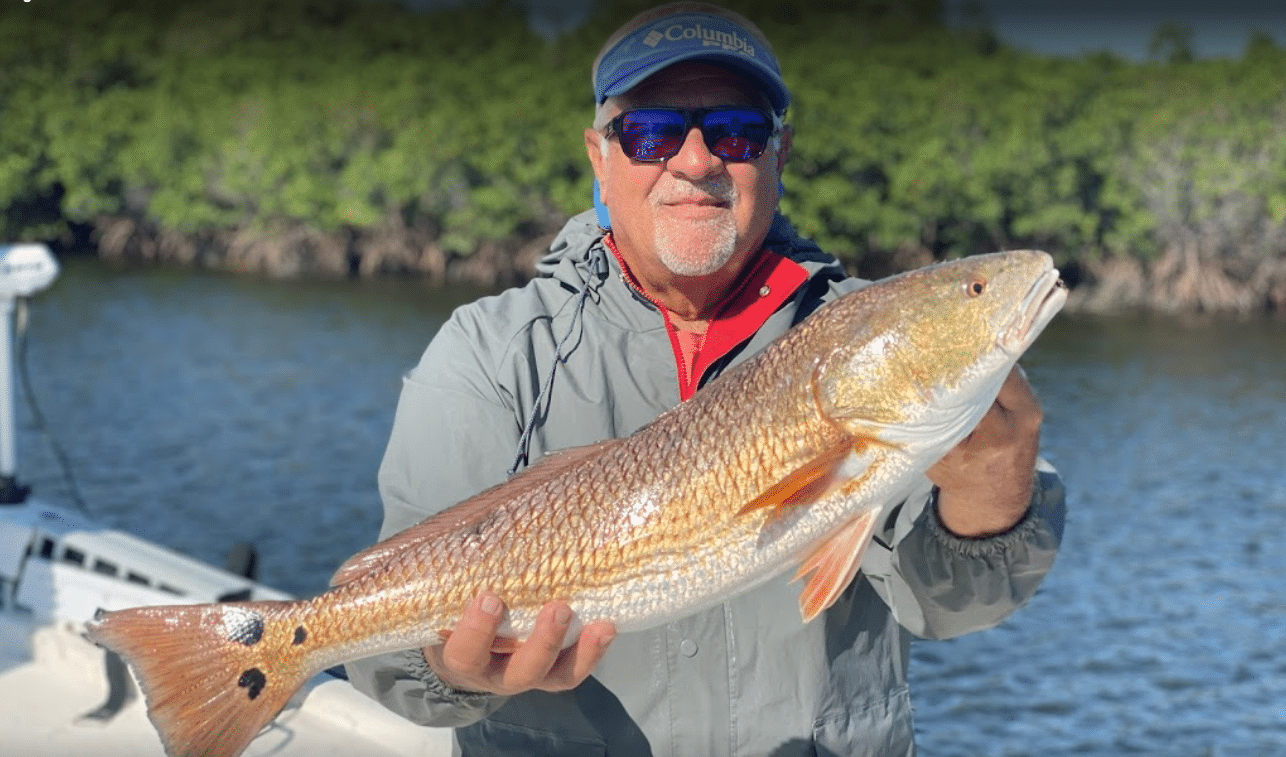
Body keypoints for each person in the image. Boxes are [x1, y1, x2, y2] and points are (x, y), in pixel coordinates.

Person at [345, 3, 1066, 755]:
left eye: (735, 132)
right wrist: (451, 669)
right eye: (650, 133)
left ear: (779, 154)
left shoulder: (859, 336)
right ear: (599, 157)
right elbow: (381, 644)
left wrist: (996, 486)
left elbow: (956, 607)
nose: (695, 162)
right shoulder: (488, 352)